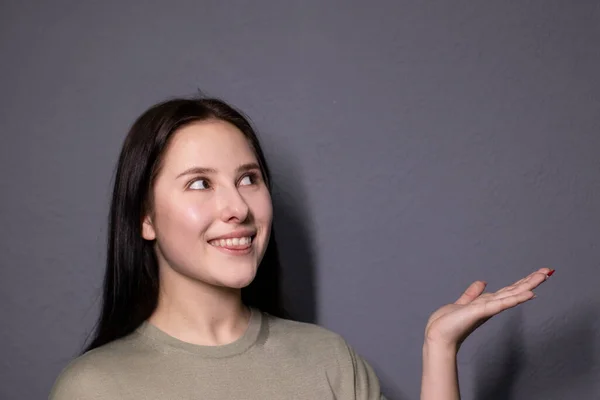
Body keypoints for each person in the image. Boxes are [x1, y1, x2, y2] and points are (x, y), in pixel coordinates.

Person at [49, 96, 554, 400]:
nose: (237, 208)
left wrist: (439, 349)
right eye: (200, 184)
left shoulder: (327, 360)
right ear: (145, 217)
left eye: (248, 179)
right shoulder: (96, 387)